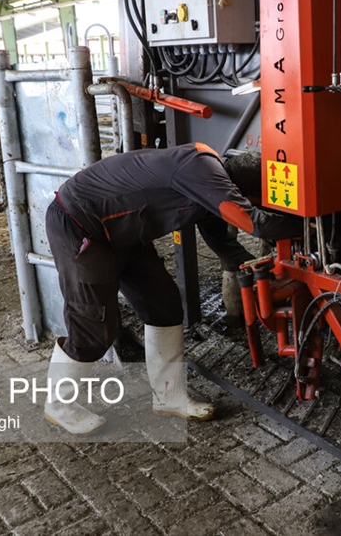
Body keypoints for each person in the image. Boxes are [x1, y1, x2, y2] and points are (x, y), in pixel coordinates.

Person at [44, 142, 300, 435]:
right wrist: (307, 226)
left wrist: (257, 269)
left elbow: (221, 241)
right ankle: (58, 405)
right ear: (243, 192)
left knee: (163, 305)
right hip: (79, 224)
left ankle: (168, 396)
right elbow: (254, 223)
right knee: (94, 326)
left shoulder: (213, 180)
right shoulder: (204, 171)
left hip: (124, 232)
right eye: (255, 200)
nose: (253, 205)